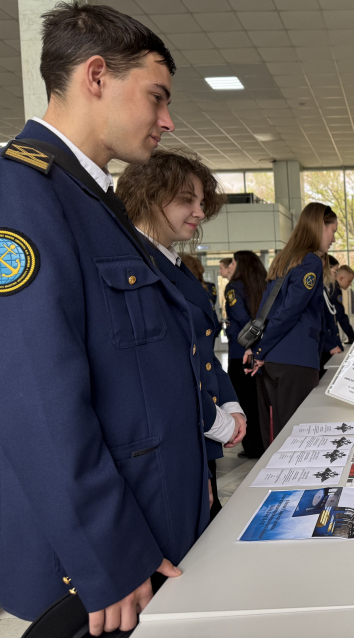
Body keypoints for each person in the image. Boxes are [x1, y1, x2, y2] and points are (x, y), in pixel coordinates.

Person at [0, 3, 207, 632]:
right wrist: (109, 554)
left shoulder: (93, 197)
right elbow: (35, 397)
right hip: (107, 569)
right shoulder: (23, 193)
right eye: (156, 97)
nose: (167, 121)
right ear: (96, 77)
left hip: (154, 530)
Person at [120, 149, 247, 520]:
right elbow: (163, 371)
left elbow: (203, 350)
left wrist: (232, 405)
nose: (200, 213)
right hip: (175, 439)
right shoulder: (137, 265)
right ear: (148, 196)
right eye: (185, 200)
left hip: (197, 435)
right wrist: (220, 423)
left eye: (202, 202)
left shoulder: (168, 261)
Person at [244, 203, 337, 447]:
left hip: (273, 360)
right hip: (296, 360)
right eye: (332, 231)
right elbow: (289, 312)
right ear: (319, 227)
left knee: (276, 434)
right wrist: (260, 350)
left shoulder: (284, 259)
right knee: (298, 437)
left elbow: (266, 309)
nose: (334, 239)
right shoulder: (311, 262)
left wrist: (259, 348)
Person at [224, 250, 268, 459]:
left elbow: (242, 318)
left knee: (244, 400)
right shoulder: (263, 286)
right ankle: (263, 442)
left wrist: (249, 344)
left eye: (232, 262)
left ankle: (252, 446)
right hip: (261, 351)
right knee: (258, 399)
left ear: (240, 265)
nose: (231, 266)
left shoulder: (233, 288)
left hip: (241, 352)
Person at [320, 255, 344, 377]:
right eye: (335, 271)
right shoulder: (319, 291)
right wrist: (330, 345)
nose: (336, 275)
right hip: (324, 349)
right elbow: (320, 323)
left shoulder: (325, 290)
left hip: (330, 346)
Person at [332, 263, 354, 343]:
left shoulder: (333, 287)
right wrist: (352, 336)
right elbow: (340, 314)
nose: (350, 284)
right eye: (349, 281)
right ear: (341, 278)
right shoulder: (335, 290)